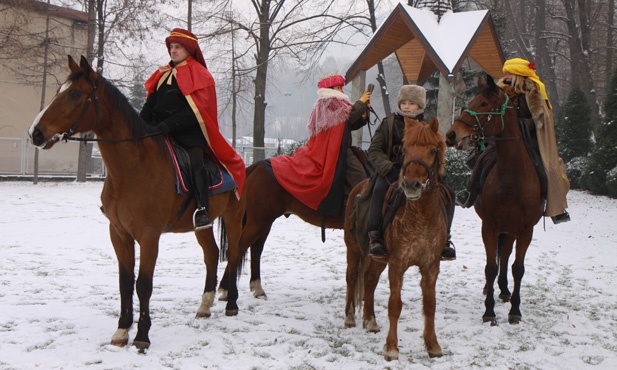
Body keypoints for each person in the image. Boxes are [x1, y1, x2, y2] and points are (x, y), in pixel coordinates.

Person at [140, 28, 246, 230]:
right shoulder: (162, 74)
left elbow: (196, 111)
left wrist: (168, 124)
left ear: (189, 49)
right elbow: (150, 106)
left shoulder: (201, 75)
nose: (173, 51)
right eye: (171, 47)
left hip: (189, 134)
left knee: (196, 160)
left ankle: (203, 210)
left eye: (178, 47)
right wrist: (140, 126)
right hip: (160, 131)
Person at [456, 58, 570, 224]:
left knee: (548, 167)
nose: (507, 76)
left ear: (520, 75)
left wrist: (519, 124)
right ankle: (469, 194)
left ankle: (554, 207)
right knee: (482, 160)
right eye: (506, 73)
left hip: (528, 139)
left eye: (511, 73)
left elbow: (539, 119)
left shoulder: (534, 92)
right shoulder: (500, 92)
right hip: (501, 139)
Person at [367, 85, 457, 260]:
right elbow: (374, 150)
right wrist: (386, 167)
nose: (407, 106)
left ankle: (445, 239)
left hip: (421, 175)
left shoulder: (428, 127)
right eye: (404, 103)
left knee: (449, 195)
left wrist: (437, 170)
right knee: (378, 191)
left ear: (420, 105)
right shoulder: (389, 123)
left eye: (412, 103)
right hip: (391, 172)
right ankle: (375, 236)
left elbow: (438, 152)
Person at [268, 73, 371, 218]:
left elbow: (348, 124)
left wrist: (363, 114)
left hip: (340, 148)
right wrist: (360, 104)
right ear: (330, 88)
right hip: (333, 152)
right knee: (360, 178)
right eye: (338, 87)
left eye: (341, 87)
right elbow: (344, 120)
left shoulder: (338, 103)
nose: (341, 90)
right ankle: (355, 212)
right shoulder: (328, 103)